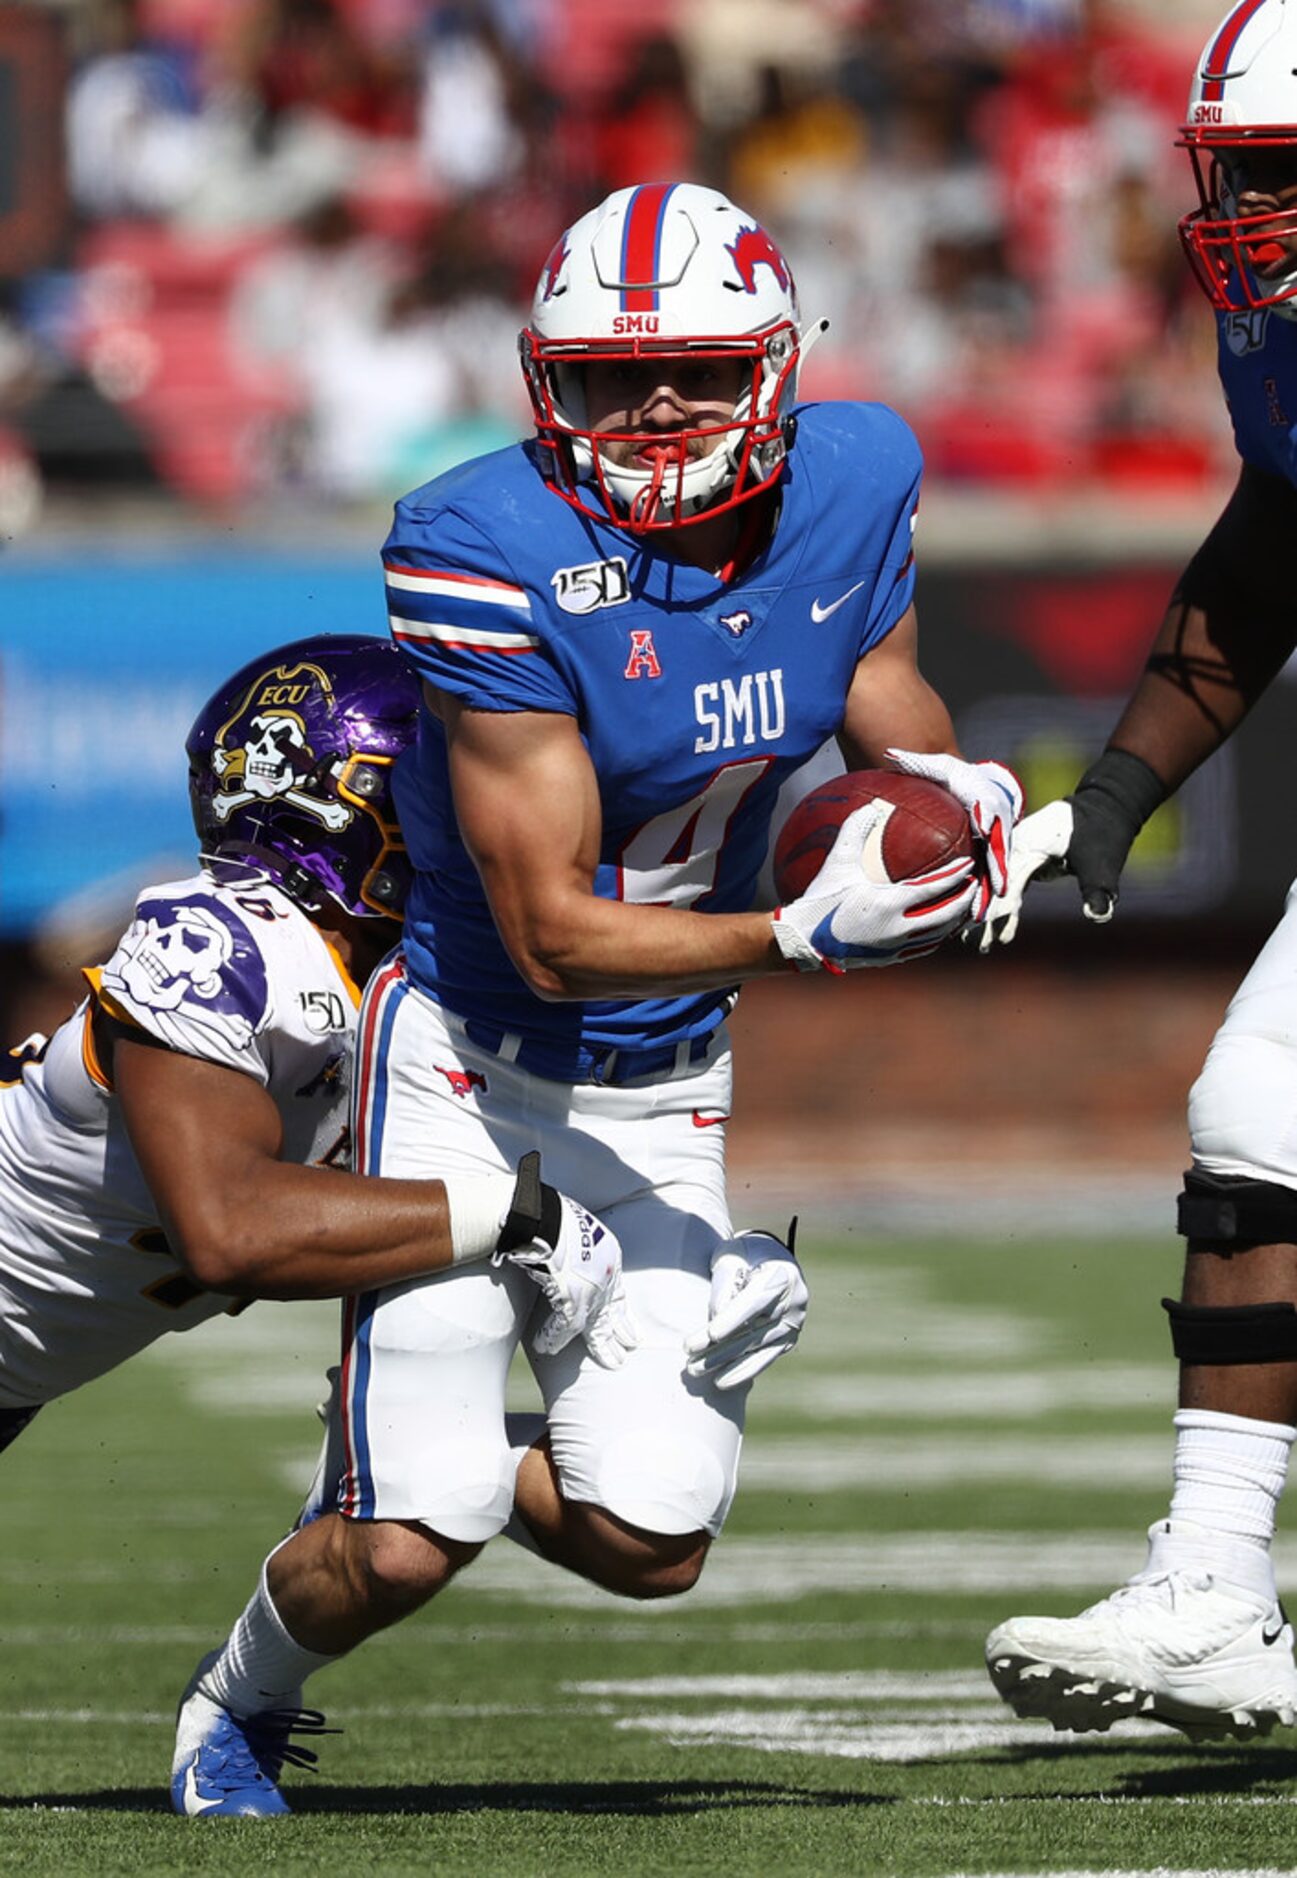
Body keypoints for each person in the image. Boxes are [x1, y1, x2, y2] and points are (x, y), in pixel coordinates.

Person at [172, 181, 1024, 1818]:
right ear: (537, 380)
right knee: (412, 1534)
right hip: (470, 1071)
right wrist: (804, 932)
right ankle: (236, 1701)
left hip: (665, 1080)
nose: (650, 409)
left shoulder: (858, 475)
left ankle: (487, 1370)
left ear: (774, 367)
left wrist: (935, 779)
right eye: (604, 377)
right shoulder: (482, 542)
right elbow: (554, 929)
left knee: (651, 1546)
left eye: (699, 372)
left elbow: (869, 663)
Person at [982, 0, 1297, 1742]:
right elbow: (1273, 542)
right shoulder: (1283, 338)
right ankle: (1213, 1583)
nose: (1253, 215)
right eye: (1240, 177)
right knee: (1256, 1109)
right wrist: (1112, 789)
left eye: (1285, 176)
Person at [0, 631, 631, 1464]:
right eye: (438, 789)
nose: (481, 811)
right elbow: (232, 1231)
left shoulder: (413, 981)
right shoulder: (219, 940)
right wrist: (517, 1214)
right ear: (335, 801)